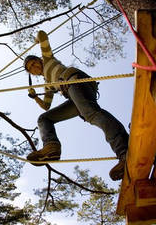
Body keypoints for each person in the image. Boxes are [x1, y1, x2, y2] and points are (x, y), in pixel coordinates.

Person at [25, 30, 128, 181]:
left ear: (40, 60)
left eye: (34, 62)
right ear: (32, 74)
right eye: (30, 68)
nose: (34, 67)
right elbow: (46, 106)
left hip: (74, 80)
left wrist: (36, 40)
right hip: (72, 93)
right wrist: (35, 97)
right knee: (44, 119)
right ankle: (51, 147)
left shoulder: (47, 58)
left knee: (92, 114)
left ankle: (124, 152)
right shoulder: (48, 84)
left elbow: (42, 34)